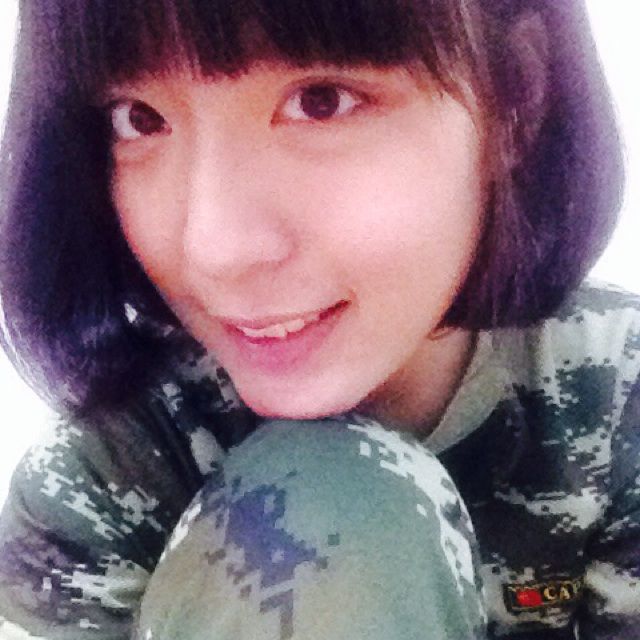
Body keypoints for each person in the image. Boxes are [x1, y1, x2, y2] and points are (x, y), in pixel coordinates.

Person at [0, 0, 637, 638]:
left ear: (515, 100)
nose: (215, 249)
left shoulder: (619, 409)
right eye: (140, 119)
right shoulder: (102, 483)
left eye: (321, 102)